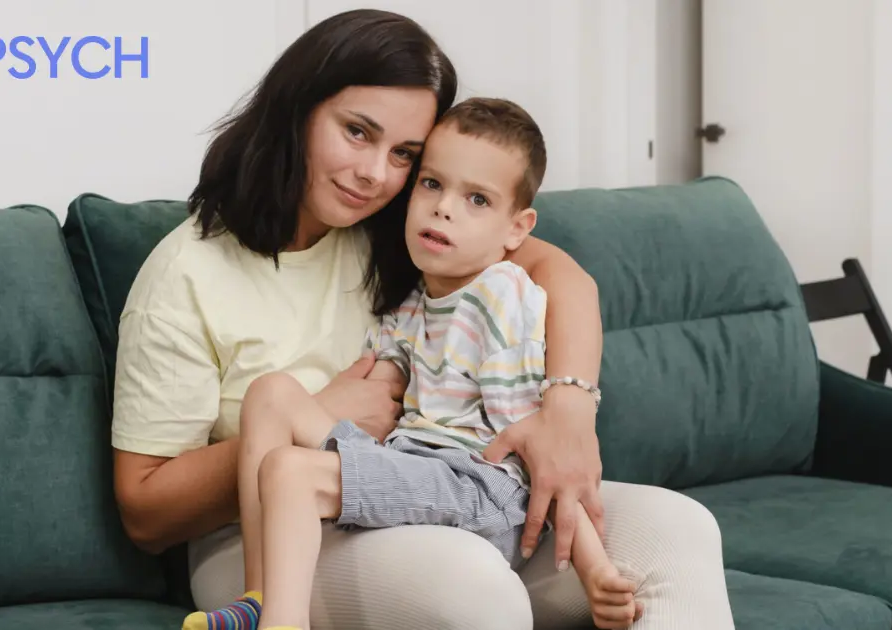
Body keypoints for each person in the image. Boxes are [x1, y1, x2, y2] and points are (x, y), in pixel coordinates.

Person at [111, 8, 736, 630]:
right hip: (262, 537)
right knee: (465, 581)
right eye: (357, 131)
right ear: (297, 108)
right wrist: (322, 411)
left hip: (443, 482)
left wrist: (568, 413)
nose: (375, 174)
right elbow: (144, 512)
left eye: (405, 153)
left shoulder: (409, 224)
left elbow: (562, 277)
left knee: (677, 531)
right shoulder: (186, 275)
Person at [183, 97, 642, 630]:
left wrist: (594, 566)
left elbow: (534, 448)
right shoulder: (413, 302)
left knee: (291, 471)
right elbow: (381, 402)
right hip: (413, 460)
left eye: (476, 199)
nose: (444, 207)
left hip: (477, 484)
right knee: (271, 393)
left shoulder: (500, 297)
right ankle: (259, 598)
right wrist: (347, 425)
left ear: (517, 229)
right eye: (431, 184)